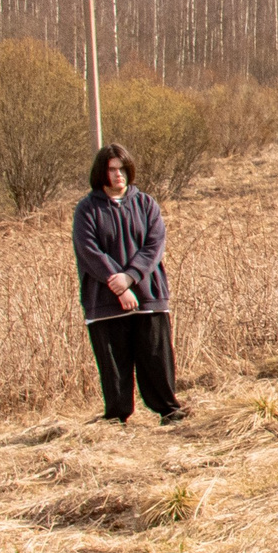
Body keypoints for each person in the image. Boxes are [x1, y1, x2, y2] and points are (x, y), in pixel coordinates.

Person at [72, 144, 184, 425]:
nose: (118, 175)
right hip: (106, 301)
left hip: (148, 295)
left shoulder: (146, 204)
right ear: (101, 173)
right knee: (114, 364)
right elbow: (89, 251)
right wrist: (119, 287)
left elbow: (154, 245)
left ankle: (169, 410)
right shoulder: (87, 209)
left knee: (156, 356)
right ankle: (116, 417)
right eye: (111, 170)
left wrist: (131, 277)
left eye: (122, 169)